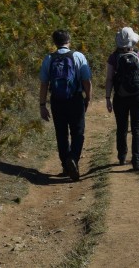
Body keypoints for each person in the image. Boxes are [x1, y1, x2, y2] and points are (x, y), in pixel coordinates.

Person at [39, 29, 92, 182]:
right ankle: (73, 158)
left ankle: (65, 165)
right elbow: (87, 81)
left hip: (57, 101)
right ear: (69, 40)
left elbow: (44, 84)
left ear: (55, 42)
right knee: (78, 132)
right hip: (75, 99)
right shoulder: (78, 56)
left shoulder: (49, 58)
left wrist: (42, 105)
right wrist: (87, 98)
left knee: (61, 134)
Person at [105, 27, 139, 171]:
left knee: (122, 127)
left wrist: (107, 97)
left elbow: (109, 79)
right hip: (138, 96)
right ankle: (136, 160)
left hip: (120, 96)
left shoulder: (113, 57)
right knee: (137, 128)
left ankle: (122, 157)